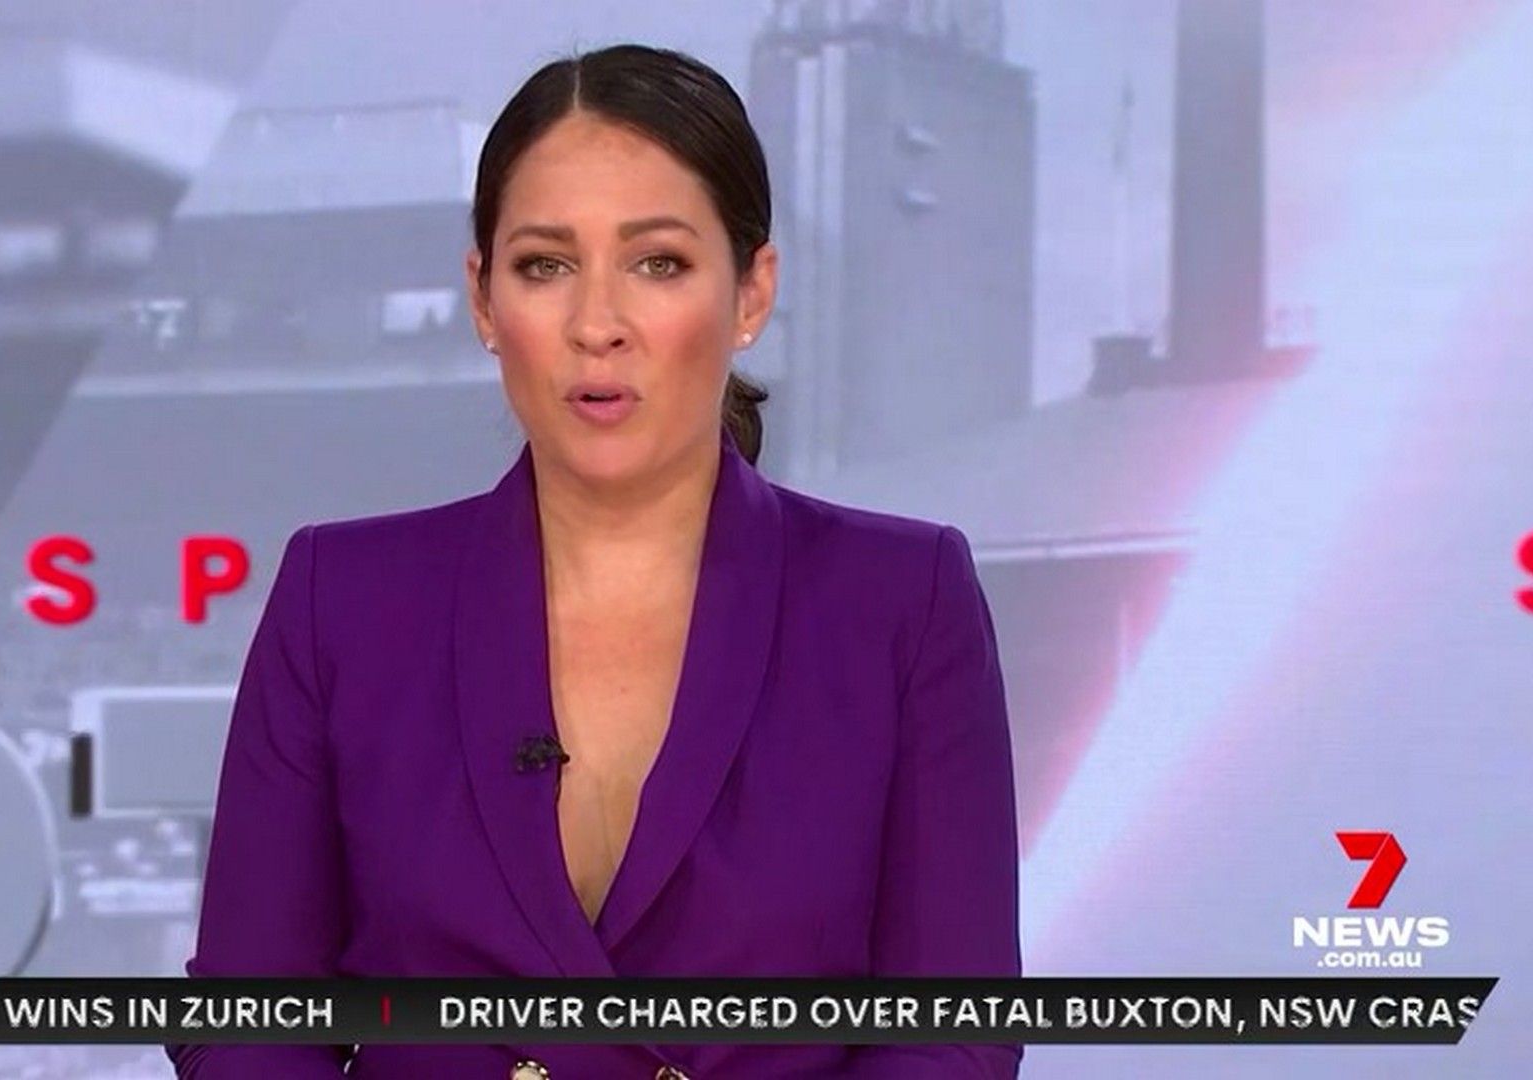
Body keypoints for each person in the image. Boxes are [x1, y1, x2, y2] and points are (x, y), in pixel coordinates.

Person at [168, 43, 1022, 1078]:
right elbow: (249, 1019)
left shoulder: (903, 601)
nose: (597, 326)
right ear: (484, 300)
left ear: (752, 293)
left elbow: (953, 1031)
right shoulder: (338, 603)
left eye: (658, 263)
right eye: (546, 265)